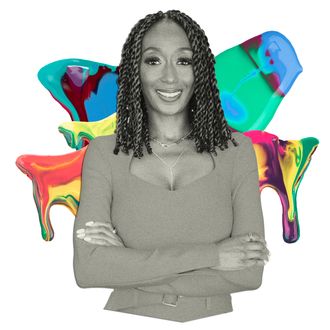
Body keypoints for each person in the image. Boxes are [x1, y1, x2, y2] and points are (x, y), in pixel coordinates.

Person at [73, 9, 270, 322]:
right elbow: (89, 269)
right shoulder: (103, 154)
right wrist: (215, 256)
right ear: (135, 70)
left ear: (200, 70)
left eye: (184, 60)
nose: (169, 77)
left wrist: (127, 262)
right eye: (153, 60)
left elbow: (250, 274)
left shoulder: (236, 151)